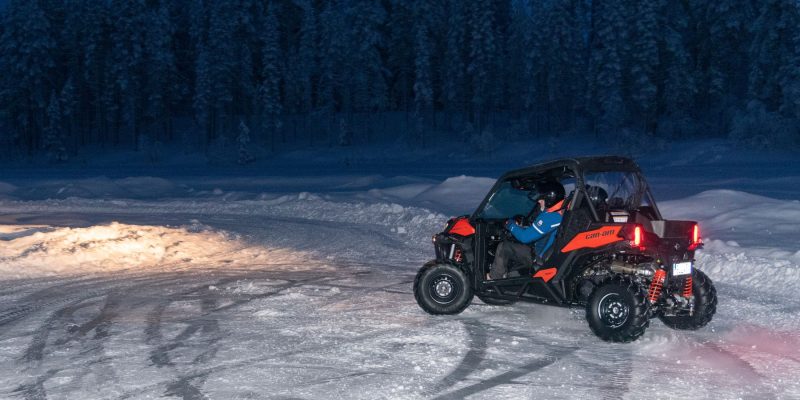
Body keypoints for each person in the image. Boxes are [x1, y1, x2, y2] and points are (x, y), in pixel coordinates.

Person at [488, 181, 566, 280]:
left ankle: (493, 279)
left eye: (541, 199)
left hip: (538, 258)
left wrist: (510, 224)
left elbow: (525, 237)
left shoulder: (551, 217)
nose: (539, 201)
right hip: (546, 252)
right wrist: (522, 227)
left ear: (550, 198)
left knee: (504, 247)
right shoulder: (561, 211)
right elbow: (538, 231)